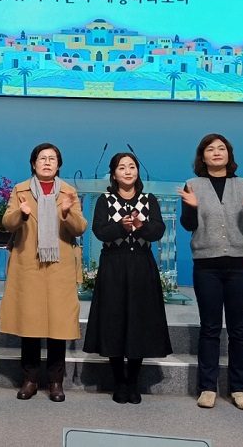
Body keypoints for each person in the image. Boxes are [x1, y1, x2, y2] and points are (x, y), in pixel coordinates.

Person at [178, 134, 243, 411]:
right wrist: (191, 208)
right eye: (210, 149)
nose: (216, 152)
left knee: (239, 329)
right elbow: (188, 225)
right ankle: (208, 387)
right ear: (202, 157)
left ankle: (240, 388)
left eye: (221, 148)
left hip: (240, 264)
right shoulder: (193, 185)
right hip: (207, 265)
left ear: (229, 154)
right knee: (210, 328)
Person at [0, 142, 87, 403]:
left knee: (59, 326)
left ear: (58, 165)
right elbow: (7, 223)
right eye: (42, 158)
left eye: (52, 159)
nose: (47, 162)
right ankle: (30, 380)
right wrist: (21, 213)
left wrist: (67, 213)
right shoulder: (21, 190)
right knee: (30, 324)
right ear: (33, 163)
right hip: (29, 264)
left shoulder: (69, 191)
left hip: (59, 266)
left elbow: (80, 228)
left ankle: (56, 381)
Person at [84, 152, 172, 404]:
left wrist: (141, 225)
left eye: (131, 166)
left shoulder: (148, 199)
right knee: (114, 321)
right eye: (122, 167)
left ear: (137, 172)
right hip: (113, 265)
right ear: (113, 173)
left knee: (138, 322)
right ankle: (119, 382)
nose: (127, 171)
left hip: (141, 266)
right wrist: (120, 227)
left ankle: (133, 381)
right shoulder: (105, 200)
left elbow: (158, 231)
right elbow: (99, 231)